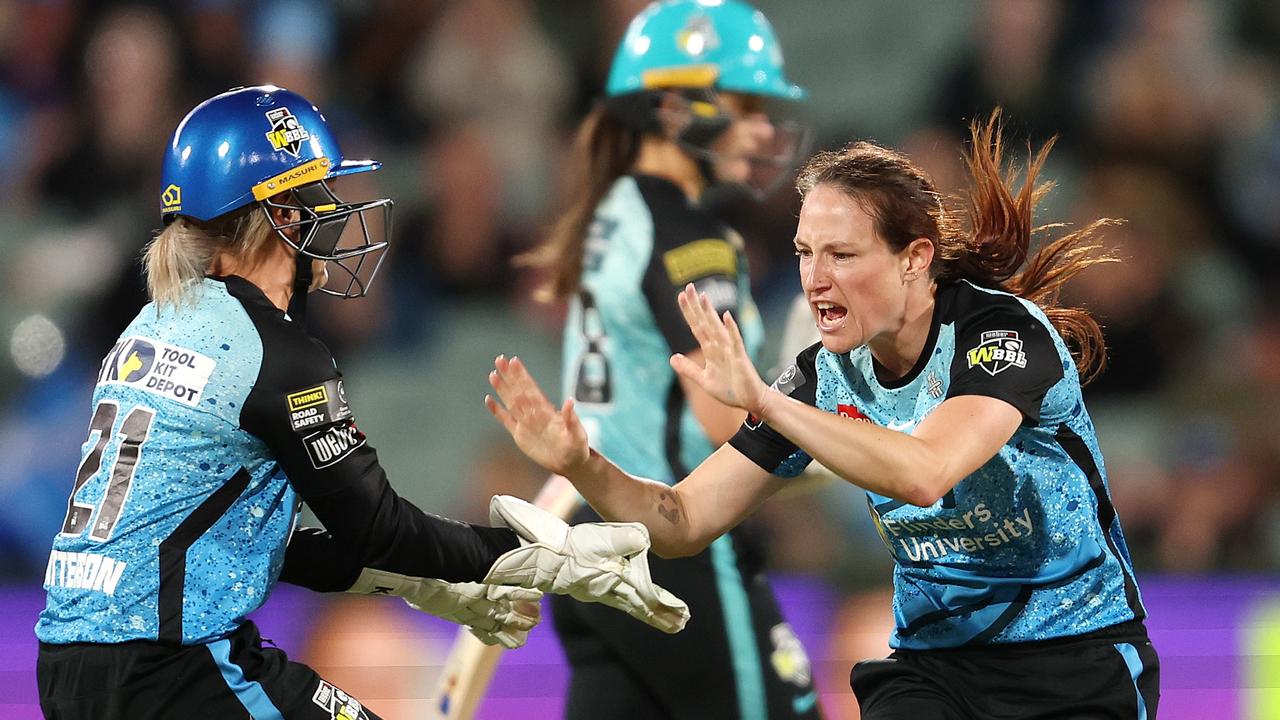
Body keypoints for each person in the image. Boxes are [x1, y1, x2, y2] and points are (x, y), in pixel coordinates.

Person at [34, 85, 688, 720]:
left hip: (72, 666)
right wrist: (554, 558)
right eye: (321, 192)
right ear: (282, 214)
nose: (339, 211)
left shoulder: (150, 328)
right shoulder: (274, 354)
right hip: (175, 668)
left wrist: (428, 587)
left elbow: (246, 545)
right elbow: (378, 528)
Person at [488, 110, 1161, 719]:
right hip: (937, 671)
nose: (815, 279)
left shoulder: (1000, 336)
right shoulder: (822, 375)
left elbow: (926, 472)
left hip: (1078, 659)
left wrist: (763, 403)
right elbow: (682, 521)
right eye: (806, 253)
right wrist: (582, 464)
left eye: (842, 254)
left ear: (914, 258)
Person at [515, 1, 818, 717]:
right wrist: (817, 387)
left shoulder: (612, 210)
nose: (765, 127)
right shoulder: (692, 237)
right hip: (672, 544)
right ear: (678, 108)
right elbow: (728, 422)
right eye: (746, 103)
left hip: (586, 541)